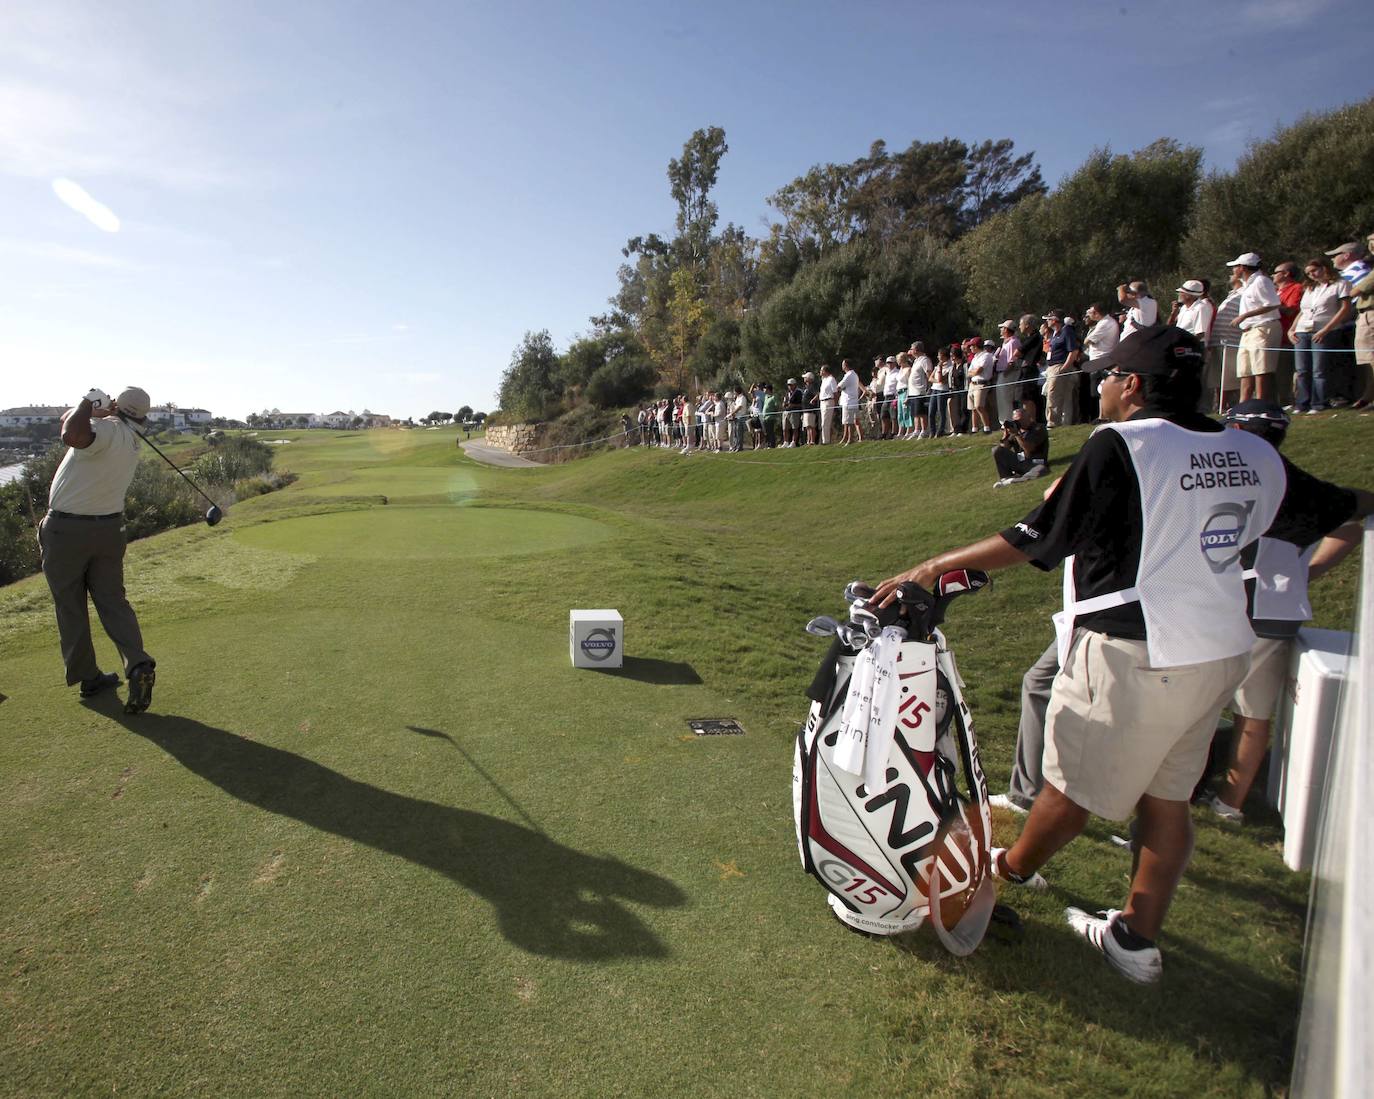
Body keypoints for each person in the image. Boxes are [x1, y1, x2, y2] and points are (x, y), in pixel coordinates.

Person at [871, 324, 1287, 984]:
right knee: (1166, 801)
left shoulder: (1121, 443)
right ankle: (1135, 938)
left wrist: (933, 565)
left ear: (1134, 386)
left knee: (1068, 791)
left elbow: (1036, 538)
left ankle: (1008, 871)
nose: (1103, 384)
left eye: (1111, 374)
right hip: (1219, 650)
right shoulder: (1249, 450)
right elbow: (1321, 507)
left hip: (1135, 650)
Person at [1201, 400, 1372, 822]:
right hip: (1273, 608)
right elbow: (1351, 523)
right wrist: (1306, 572)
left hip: (1236, 608)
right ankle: (1226, 803)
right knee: (1250, 714)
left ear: (1239, 430)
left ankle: (1199, 794)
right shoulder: (1301, 485)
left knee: (1208, 708)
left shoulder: (1236, 478)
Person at [40, 386, 157, 714]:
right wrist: (94, 410)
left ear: (117, 404)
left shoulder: (105, 431)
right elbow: (71, 424)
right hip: (109, 530)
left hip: (67, 531)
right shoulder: (131, 437)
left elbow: (72, 435)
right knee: (113, 602)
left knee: (70, 605)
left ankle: (88, 676)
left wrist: (87, 402)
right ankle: (138, 665)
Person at [1290, 256, 1355, 414]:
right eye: (1308, 273)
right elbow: (1303, 311)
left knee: (1319, 369)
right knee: (1302, 369)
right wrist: (1291, 329)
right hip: (1302, 330)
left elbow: (1344, 309)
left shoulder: (1341, 284)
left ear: (1324, 268)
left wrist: (1326, 329)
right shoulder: (1310, 287)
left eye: (1314, 270)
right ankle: (1302, 403)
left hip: (1325, 330)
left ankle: (1318, 403)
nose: (1311, 275)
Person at [1229, 251, 1283, 403]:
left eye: (1235, 267)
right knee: (1245, 370)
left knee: (1261, 369)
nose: (1233, 270)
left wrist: (1245, 316)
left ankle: (1260, 403)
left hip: (1263, 327)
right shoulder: (1247, 284)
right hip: (1248, 331)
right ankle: (1243, 404)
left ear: (1243, 268)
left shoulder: (1261, 281)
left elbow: (1273, 304)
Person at [991, 400, 1049, 486]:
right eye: (1015, 421)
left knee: (1040, 470)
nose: (1018, 423)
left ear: (1028, 418)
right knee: (997, 450)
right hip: (1021, 461)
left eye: (1020, 420)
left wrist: (1017, 435)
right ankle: (1006, 478)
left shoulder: (1038, 428)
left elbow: (1029, 449)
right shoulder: (1016, 430)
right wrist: (1005, 436)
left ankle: (1015, 480)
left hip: (1035, 463)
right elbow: (1004, 449)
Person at [1042, 310, 1081, 427]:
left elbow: (1073, 351)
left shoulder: (1066, 331)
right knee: (1053, 395)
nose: (1047, 322)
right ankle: (1059, 422)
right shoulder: (1055, 333)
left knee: (1054, 395)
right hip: (1052, 367)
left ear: (1054, 320)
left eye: (1048, 319)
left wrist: (1064, 368)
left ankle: (1053, 422)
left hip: (1060, 366)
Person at [968, 340, 997, 434]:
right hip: (973, 383)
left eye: (971, 346)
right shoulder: (975, 357)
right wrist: (974, 372)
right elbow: (969, 372)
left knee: (979, 406)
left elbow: (979, 371)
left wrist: (974, 372)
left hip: (981, 383)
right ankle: (974, 429)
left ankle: (986, 428)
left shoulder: (986, 356)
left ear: (976, 346)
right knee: (973, 408)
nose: (970, 348)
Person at [838, 360, 865, 446]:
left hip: (848, 401)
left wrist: (841, 388)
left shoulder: (848, 375)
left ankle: (850, 439)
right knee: (853, 420)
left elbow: (839, 386)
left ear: (845, 365)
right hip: (853, 401)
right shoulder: (854, 374)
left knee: (849, 422)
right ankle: (851, 438)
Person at [801, 372, 819, 446]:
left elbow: (817, 394)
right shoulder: (806, 387)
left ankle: (812, 440)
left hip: (810, 409)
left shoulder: (812, 387)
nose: (804, 379)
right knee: (807, 426)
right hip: (805, 410)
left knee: (811, 426)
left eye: (805, 377)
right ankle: (808, 441)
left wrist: (813, 400)